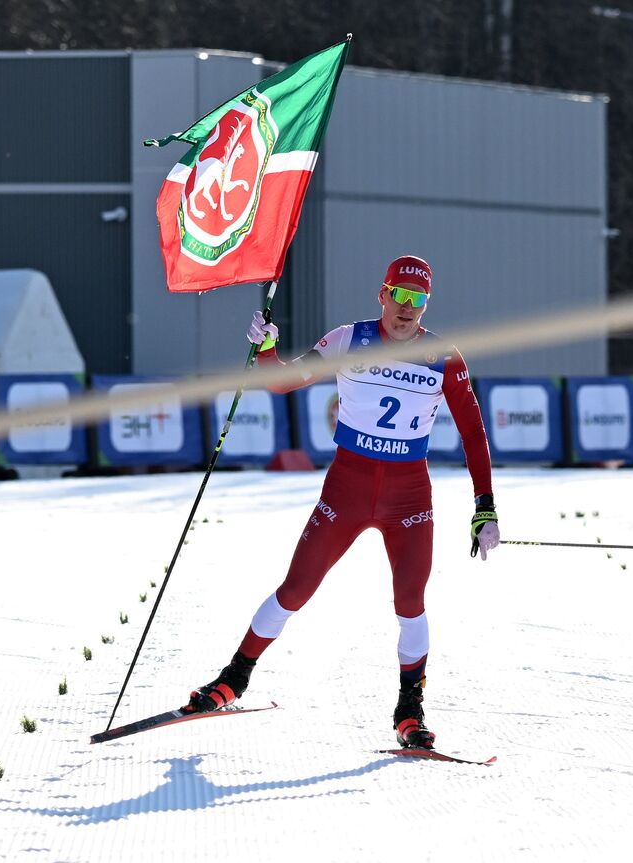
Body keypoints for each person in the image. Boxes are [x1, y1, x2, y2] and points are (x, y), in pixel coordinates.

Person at [183, 255, 500, 749]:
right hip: (347, 488)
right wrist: (266, 349)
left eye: (418, 300)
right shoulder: (348, 340)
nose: (407, 308)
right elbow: (284, 379)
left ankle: (409, 710)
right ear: (383, 294)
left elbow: (473, 434)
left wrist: (485, 507)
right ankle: (234, 678)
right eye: (400, 295)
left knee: (411, 603)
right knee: (296, 588)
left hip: (409, 496)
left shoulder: (445, 356)